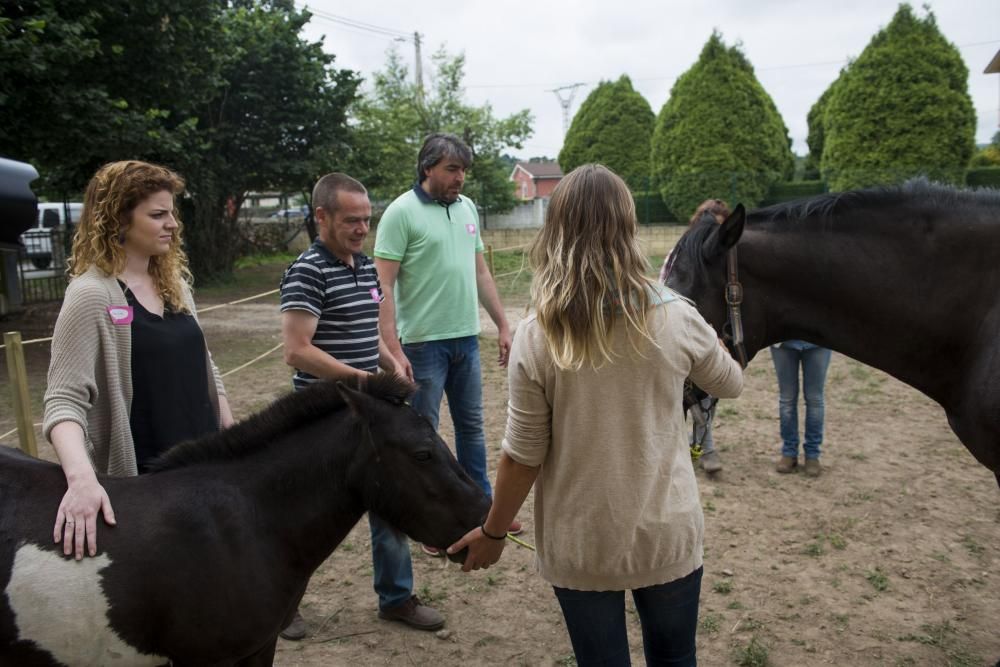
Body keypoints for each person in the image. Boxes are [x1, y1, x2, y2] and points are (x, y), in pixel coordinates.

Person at [448, 164, 744, 665]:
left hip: (580, 543)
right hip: (666, 534)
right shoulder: (677, 314)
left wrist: (494, 533)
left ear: (556, 230)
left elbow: (523, 456)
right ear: (627, 228)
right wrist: (712, 342)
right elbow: (731, 383)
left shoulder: (536, 333)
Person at [43, 159, 233, 561]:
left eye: (172, 213)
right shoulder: (91, 295)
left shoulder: (175, 285)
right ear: (118, 220)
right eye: (158, 214)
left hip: (203, 472)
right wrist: (81, 480)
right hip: (146, 493)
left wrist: (229, 434)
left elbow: (206, 367)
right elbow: (63, 402)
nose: (173, 224)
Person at [279, 173, 442, 638]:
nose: (361, 229)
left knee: (390, 501)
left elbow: (367, 330)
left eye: (366, 220)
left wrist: (392, 360)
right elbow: (296, 349)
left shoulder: (365, 267)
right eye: (351, 220)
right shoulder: (307, 271)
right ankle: (285, 605)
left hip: (367, 410)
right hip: (321, 415)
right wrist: (363, 380)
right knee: (305, 514)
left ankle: (396, 598)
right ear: (321, 217)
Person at [374, 132, 521, 556]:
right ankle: (431, 522)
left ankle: (486, 515)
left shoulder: (468, 207)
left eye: (463, 171)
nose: (460, 179)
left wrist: (503, 325)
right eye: (452, 170)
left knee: (473, 430)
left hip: (466, 342)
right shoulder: (400, 213)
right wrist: (394, 350)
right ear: (428, 169)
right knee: (424, 440)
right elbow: (382, 285)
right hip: (421, 346)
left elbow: (481, 274)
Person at [661, 198, 732, 475]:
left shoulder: (724, 261)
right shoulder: (678, 256)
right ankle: (696, 448)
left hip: (708, 335)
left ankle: (703, 447)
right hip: (679, 333)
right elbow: (663, 288)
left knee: (706, 394)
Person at [770, 341, 832, 476]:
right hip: (783, 342)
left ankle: (812, 455)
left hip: (817, 342)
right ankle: (789, 452)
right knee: (787, 399)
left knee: (815, 399)